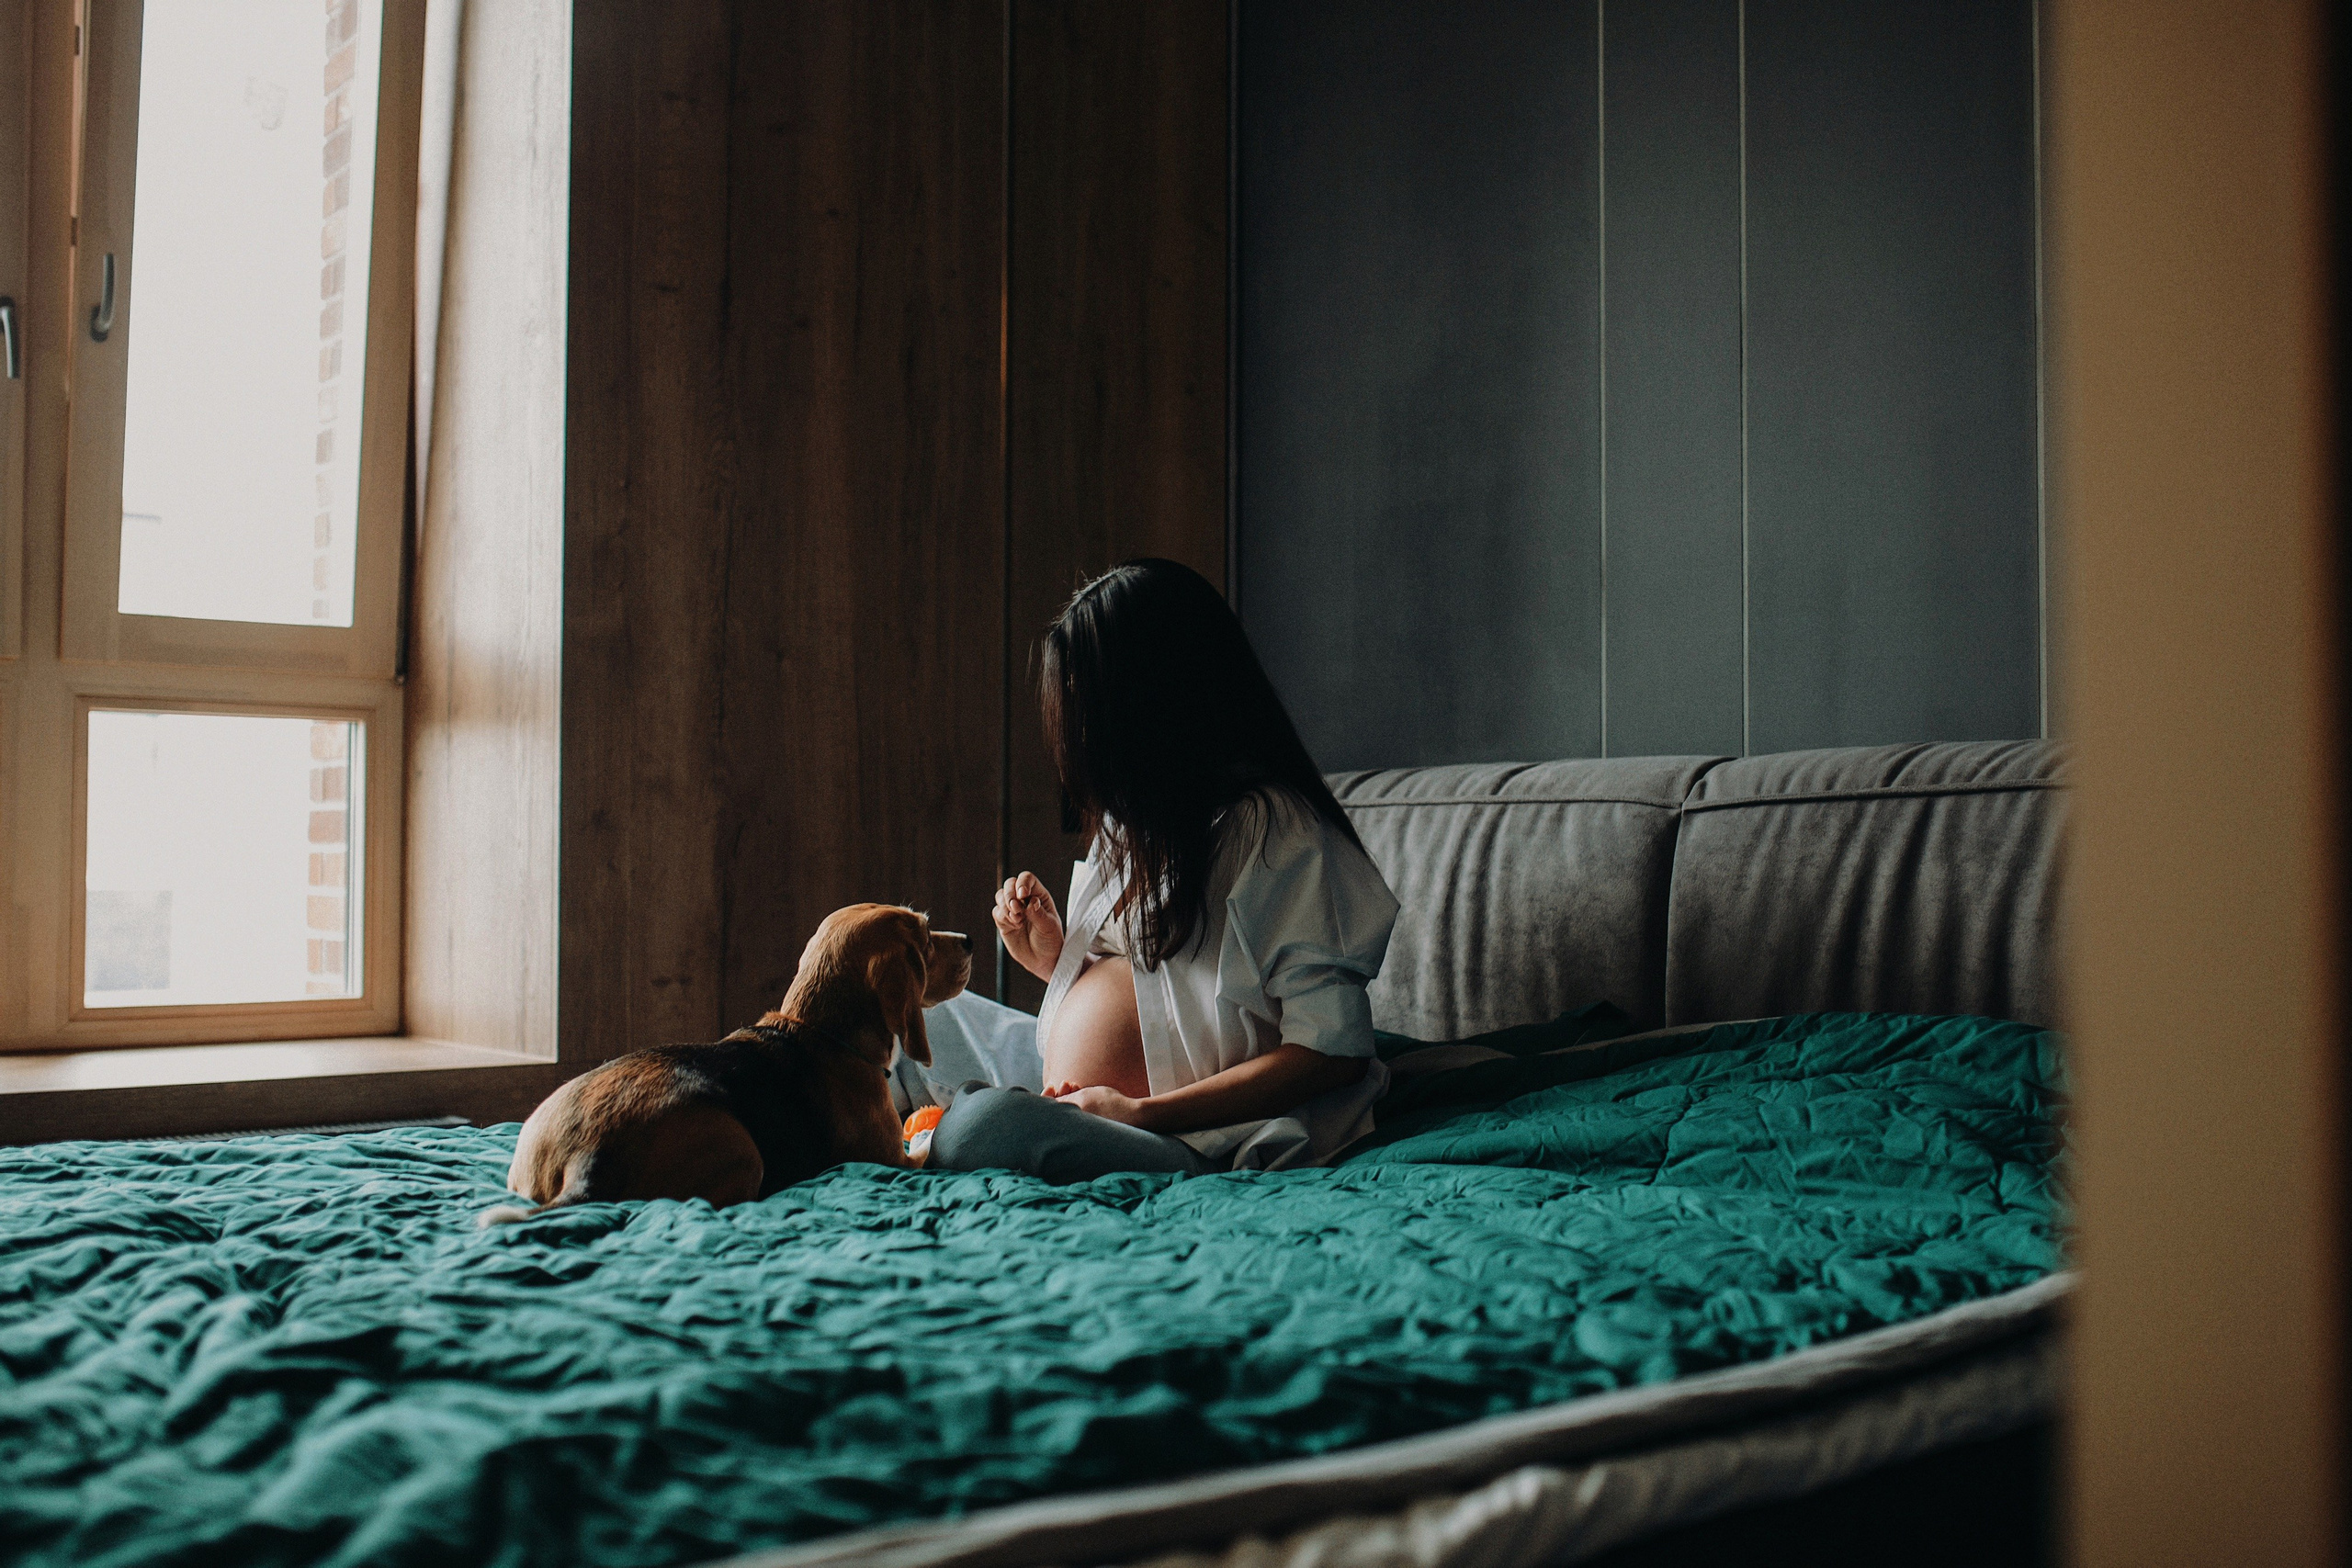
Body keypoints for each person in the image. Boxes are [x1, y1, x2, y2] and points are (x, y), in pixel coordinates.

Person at [924, 558, 1399, 1181]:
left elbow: (1330, 1054)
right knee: (912, 1013)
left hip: (1196, 1136)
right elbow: (1160, 991)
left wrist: (1142, 1112)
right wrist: (1056, 962)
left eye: (1090, 717)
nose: (1081, 742)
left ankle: (964, 1122)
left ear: (1158, 705)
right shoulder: (1137, 821)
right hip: (1087, 1104)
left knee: (980, 1130)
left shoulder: (1273, 831)